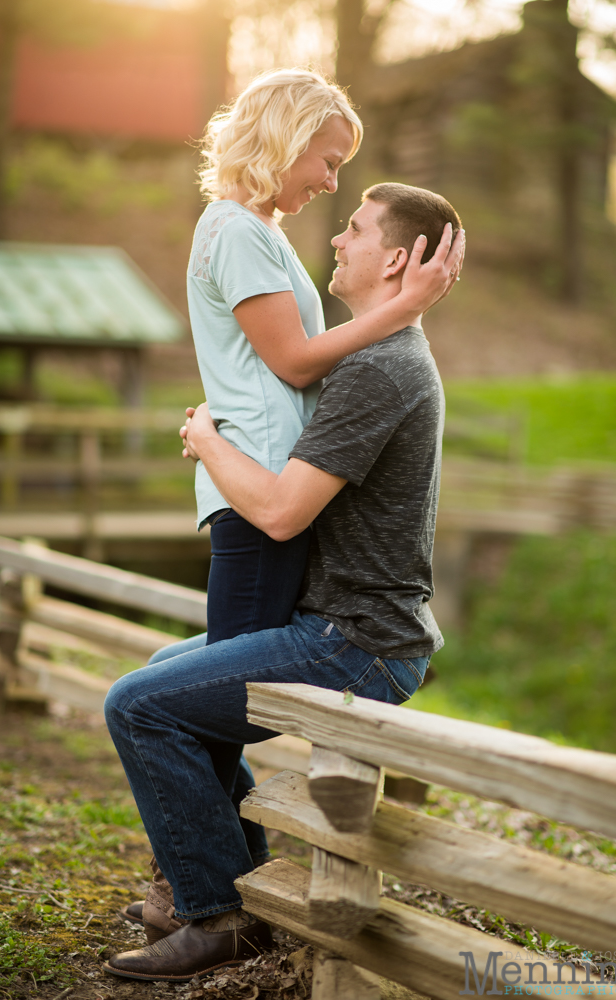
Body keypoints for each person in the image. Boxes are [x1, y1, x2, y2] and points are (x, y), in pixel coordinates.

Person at [119, 67, 464, 937]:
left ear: (389, 260)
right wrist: (211, 438)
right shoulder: (244, 236)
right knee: (178, 694)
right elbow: (294, 363)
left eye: (353, 216)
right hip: (260, 492)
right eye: (330, 161)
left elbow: (296, 394)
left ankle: (210, 903)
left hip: (289, 527)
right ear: (288, 136)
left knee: (157, 703)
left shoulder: (376, 357)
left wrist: (206, 438)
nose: (334, 194)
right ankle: (218, 890)